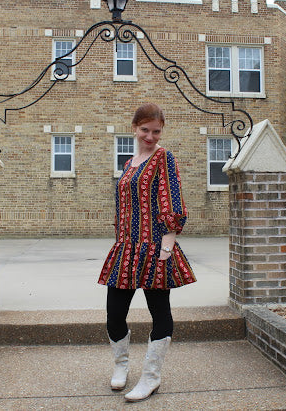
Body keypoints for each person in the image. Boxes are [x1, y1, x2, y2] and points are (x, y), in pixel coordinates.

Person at [98, 102, 196, 402]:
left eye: (156, 131)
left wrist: (167, 245)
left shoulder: (164, 158)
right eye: (145, 130)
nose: (150, 136)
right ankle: (121, 366)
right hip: (127, 247)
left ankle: (151, 376)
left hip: (156, 247)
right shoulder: (129, 164)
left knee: (160, 312)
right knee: (114, 313)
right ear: (134, 128)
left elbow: (171, 200)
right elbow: (124, 207)